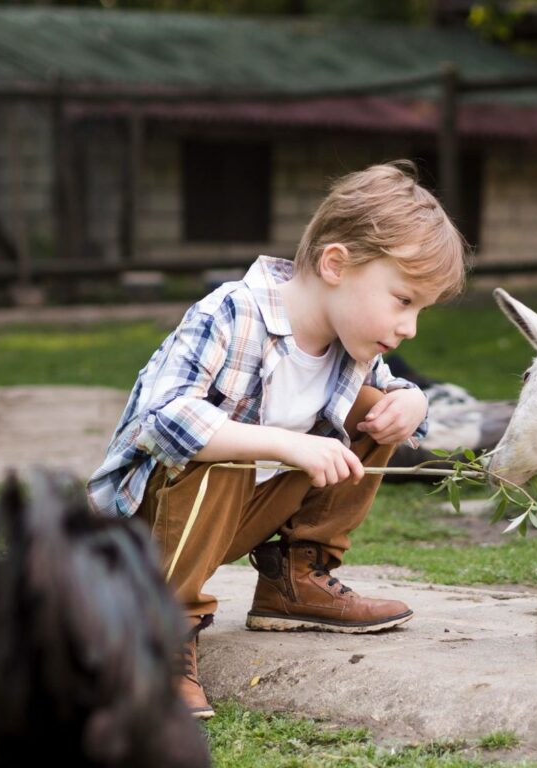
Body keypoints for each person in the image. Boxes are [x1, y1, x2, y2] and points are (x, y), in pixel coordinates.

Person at [86, 160, 467, 719]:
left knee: (382, 410)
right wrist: (282, 444)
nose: (409, 327)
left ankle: (296, 580)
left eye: (420, 311)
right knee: (219, 448)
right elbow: (161, 421)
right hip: (144, 530)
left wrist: (414, 402)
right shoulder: (232, 312)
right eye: (403, 300)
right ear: (336, 264)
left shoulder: (348, 344)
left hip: (232, 520)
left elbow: (395, 395)